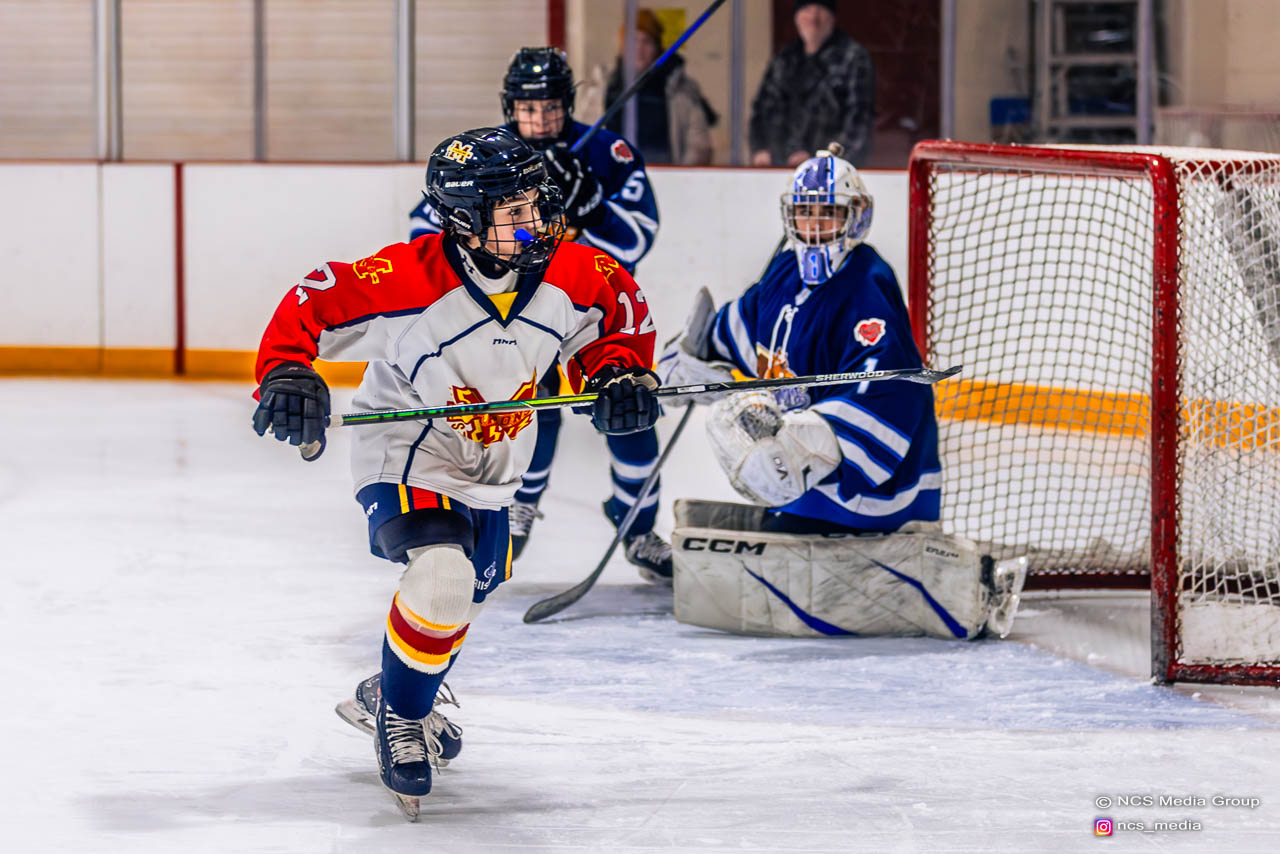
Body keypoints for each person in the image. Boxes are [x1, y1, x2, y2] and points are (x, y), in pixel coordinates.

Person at [252, 127, 659, 818]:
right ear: (466, 221)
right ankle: (402, 718)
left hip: (496, 463)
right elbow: (311, 301)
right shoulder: (406, 279)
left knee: (461, 598)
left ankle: (392, 688)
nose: (535, 220)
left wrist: (618, 377)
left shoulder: (578, 273)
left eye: (536, 202)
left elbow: (615, 327)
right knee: (441, 579)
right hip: (409, 449)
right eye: (514, 210)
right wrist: (287, 371)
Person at [657, 146, 1025, 641]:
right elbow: (742, 329)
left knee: (767, 459)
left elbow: (889, 394)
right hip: (812, 493)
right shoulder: (783, 273)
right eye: (805, 212)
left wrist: (802, 443)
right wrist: (692, 357)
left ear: (856, 218)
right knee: (736, 421)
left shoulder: (866, 285)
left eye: (828, 212)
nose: (814, 226)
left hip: (876, 493)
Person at [409, 47, 673, 583]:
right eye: (529, 108)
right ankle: (518, 508)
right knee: (529, 412)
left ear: (568, 103)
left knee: (627, 405)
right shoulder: (485, 157)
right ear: (510, 106)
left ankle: (638, 525)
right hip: (516, 315)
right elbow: (426, 234)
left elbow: (637, 238)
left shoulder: (607, 152)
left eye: (551, 107)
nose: (541, 119)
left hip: (588, 311)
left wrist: (592, 207)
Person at [748, 0, 875, 168]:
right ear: (797, 17)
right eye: (807, 9)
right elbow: (762, 108)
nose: (813, 18)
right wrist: (760, 148)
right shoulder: (785, 59)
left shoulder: (853, 58)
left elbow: (859, 121)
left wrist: (822, 160)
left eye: (820, 9)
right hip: (778, 167)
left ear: (832, 17)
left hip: (829, 172)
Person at [603, 8, 716, 165]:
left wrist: (681, 176)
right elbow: (586, 136)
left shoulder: (680, 90)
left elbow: (699, 146)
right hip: (613, 176)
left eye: (647, 41)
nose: (639, 48)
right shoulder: (603, 87)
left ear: (657, 48)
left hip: (665, 176)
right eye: (633, 40)